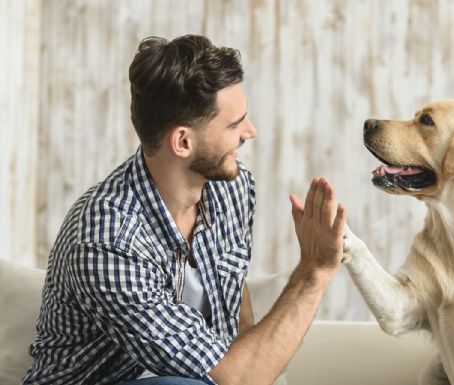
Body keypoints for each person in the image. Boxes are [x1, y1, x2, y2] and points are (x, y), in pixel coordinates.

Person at [22, 34, 346, 385]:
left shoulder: (232, 189)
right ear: (183, 142)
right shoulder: (107, 239)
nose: (250, 132)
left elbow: (235, 306)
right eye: (235, 124)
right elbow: (234, 377)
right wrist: (314, 272)